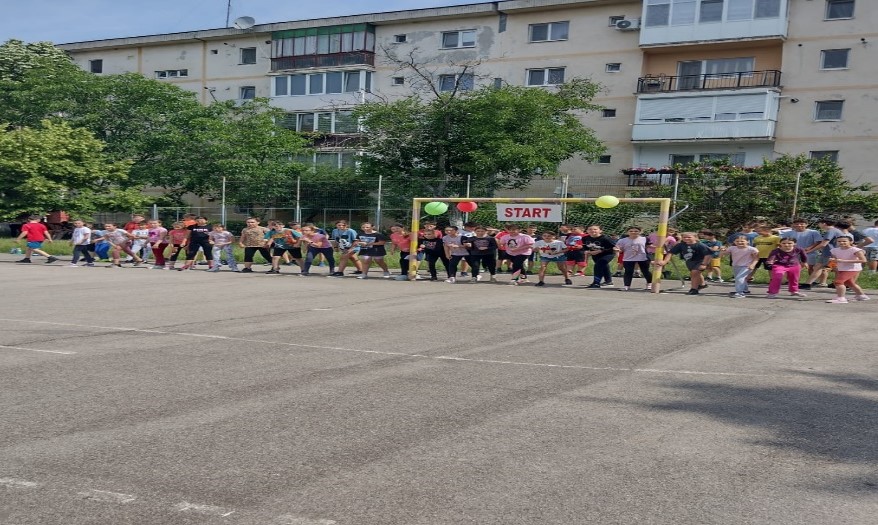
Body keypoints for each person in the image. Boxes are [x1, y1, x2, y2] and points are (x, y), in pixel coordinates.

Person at [826, 236, 870, 303]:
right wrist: (832, 262)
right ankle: (861, 295)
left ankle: (841, 298)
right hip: (841, 268)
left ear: (851, 242)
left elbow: (863, 260)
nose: (841, 243)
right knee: (849, 283)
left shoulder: (855, 250)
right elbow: (836, 260)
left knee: (838, 282)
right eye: (839, 241)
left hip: (853, 268)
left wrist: (844, 261)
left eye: (844, 241)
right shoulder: (834, 250)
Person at [781, 219, 824, 286]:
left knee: (811, 267)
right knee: (793, 267)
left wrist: (809, 248)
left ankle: (812, 281)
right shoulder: (788, 233)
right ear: (793, 225)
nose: (799, 225)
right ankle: (791, 280)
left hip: (809, 253)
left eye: (801, 224)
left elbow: (818, 241)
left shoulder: (813, 232)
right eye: (797, 224)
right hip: (793, 253)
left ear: (806, 224)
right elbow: (783, 242)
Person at [802, 219, 842, 289]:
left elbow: (823, 244)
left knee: (836, 269)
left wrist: (810, 250)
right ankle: (808, 284)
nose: (819, 225)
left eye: (819, 223)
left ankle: (843, 283)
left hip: (830, 253)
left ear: (824, 223)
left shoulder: (831, 231)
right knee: (818, 267)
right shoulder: (836, 231)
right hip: (828, 253)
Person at [614, 226, 652, 291]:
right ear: (627, 232)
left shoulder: (644, 239)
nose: (633, 232)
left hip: (642, 257)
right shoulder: (623, 240)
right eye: (631, 231)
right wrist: (617, 250)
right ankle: (626, 285)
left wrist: (659, 247)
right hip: (628, 258)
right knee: (628, 271)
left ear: (640, 232)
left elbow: (649, 246)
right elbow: (619, 248)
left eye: (636, 231)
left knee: (645, 271)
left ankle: (649, 284)